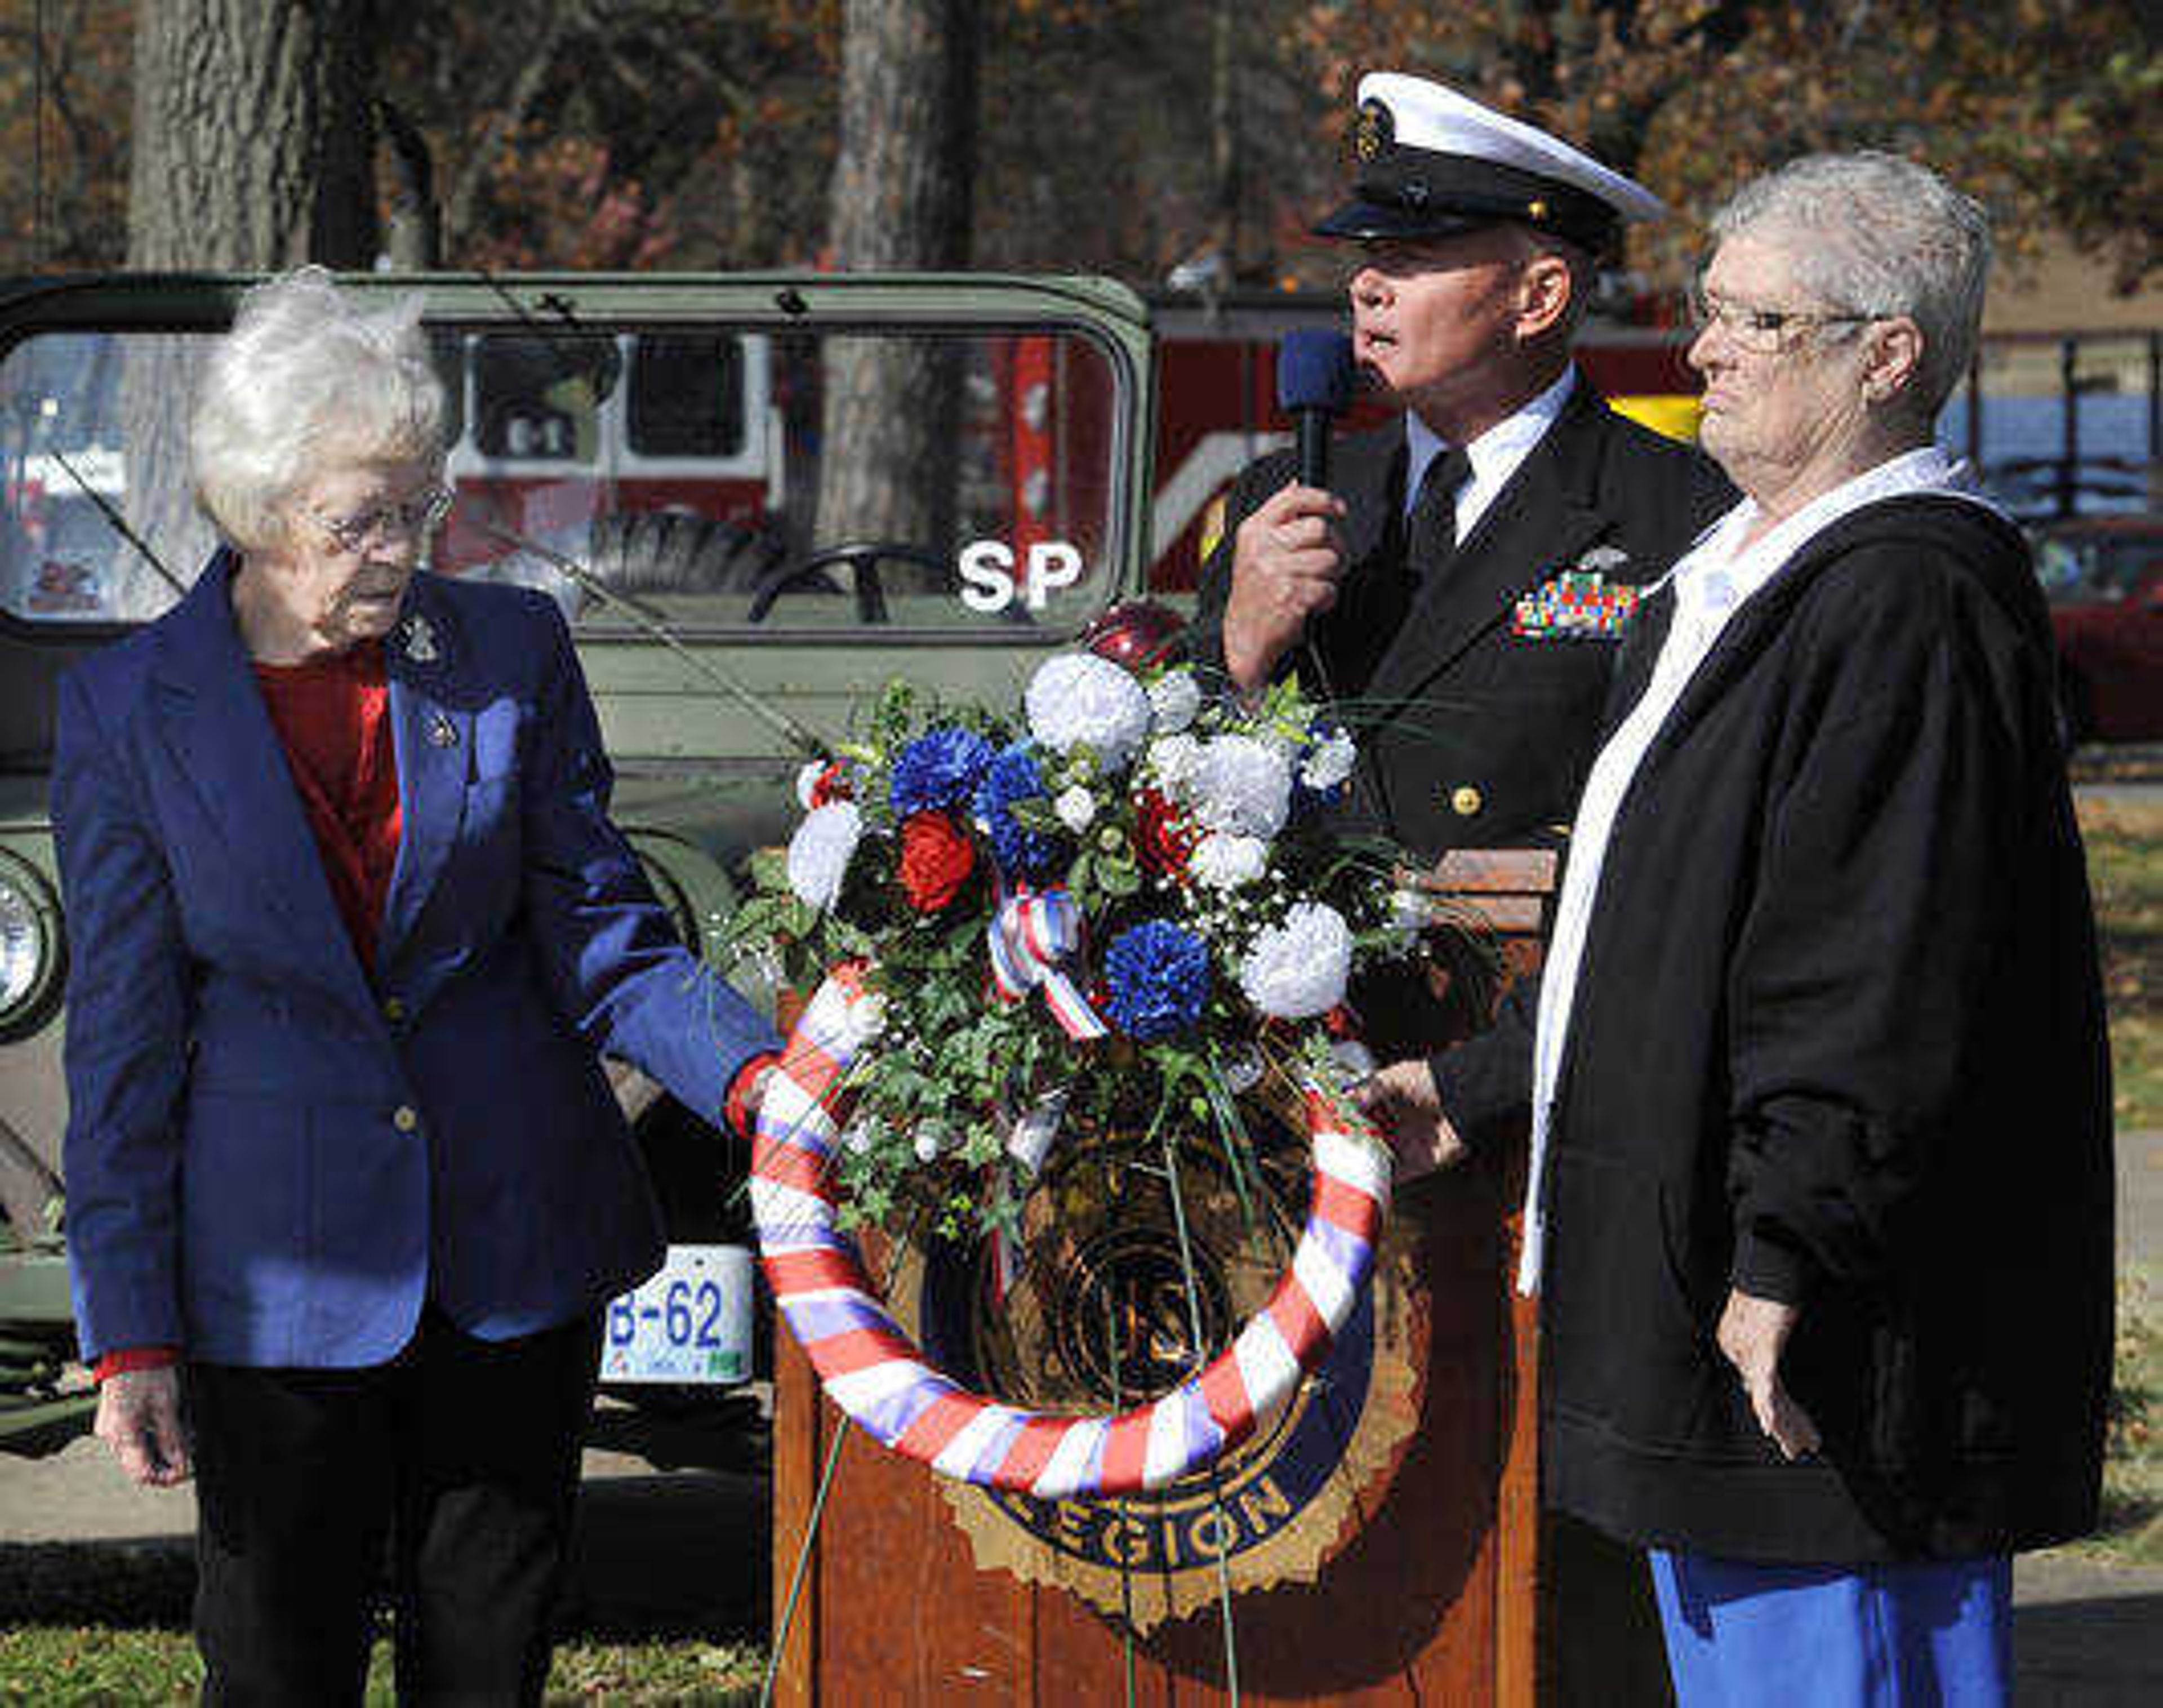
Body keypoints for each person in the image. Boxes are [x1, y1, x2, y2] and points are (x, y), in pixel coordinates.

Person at [1392, 153, 2113, 1704]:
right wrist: (1474, 1091)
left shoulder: (1907, 597)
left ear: (1890, 355)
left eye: (1757, 321)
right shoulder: (1726, 579)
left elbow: (1875, 969)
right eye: (1710, 313)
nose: (1702, 350)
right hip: (1713, 1284)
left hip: (1820, 1330)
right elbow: (1655, 936)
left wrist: (1791, 1251)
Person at [53, 268, 784, 1705]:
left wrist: (764, 1080)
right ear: (259, 516)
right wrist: (127, 1326)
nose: (398, 548)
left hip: (514, 1248)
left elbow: (599, 928)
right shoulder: (129, 709)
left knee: (487, 1664)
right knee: (276, 1667)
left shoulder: (510, 653)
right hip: (276, 1274)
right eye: (357, 519)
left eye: (417, 506)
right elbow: (127, 1044)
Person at [1186, 72, 1733, 1165]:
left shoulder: (1680, 514)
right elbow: (1176, 790)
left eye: (1414, 259)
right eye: (1364, 258)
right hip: (1294, 1062)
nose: (1367, 289)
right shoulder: (1283, 498)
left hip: (1532, 1078)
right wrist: (1239, 646)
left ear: (1537, 298)